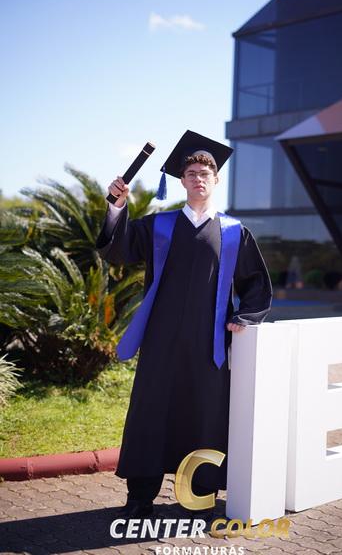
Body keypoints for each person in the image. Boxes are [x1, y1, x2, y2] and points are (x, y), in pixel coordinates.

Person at [96, 130, 273, 519]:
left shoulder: (233, 232)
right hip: (160, 341)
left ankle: (200, 493)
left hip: (208, 343)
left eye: (204, 173)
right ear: (181, 181)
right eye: (191, 173)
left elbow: (256, 282)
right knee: (151, 411)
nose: (198, 178)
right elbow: (118, 249)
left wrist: (244, 316)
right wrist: (117, 207)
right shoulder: (159, 226)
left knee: (205, 412)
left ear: (216, 180)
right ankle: (140, 496)